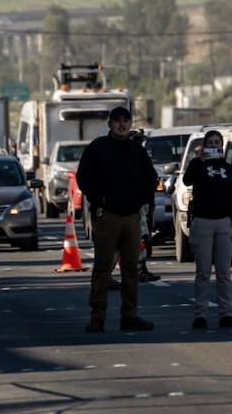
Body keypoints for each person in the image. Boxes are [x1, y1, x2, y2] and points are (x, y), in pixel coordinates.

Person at [76, 106, 158, 333]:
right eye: (118, 120)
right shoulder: (98, 148)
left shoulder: (136, 150)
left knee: (131, 269)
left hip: (131, 216)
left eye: (126, 120)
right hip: (108, 216)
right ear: (110, 124)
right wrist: (99, 200)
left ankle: (129, 315)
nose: (122, 124)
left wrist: (142, 199)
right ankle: (97, 317)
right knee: (103, 268)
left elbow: (151, 178)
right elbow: (83, 177)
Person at [182, 129, 232, 329]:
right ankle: (201, 314)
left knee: (224, 272)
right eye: (211, 142)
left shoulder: (228, 168)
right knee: (203, 272)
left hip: (224, 222)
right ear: (205, 145)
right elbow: (187, 180)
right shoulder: (198, 165)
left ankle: (227, 313)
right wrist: (199, 159)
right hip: (202, 222)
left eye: (217, 142)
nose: (214, 145)